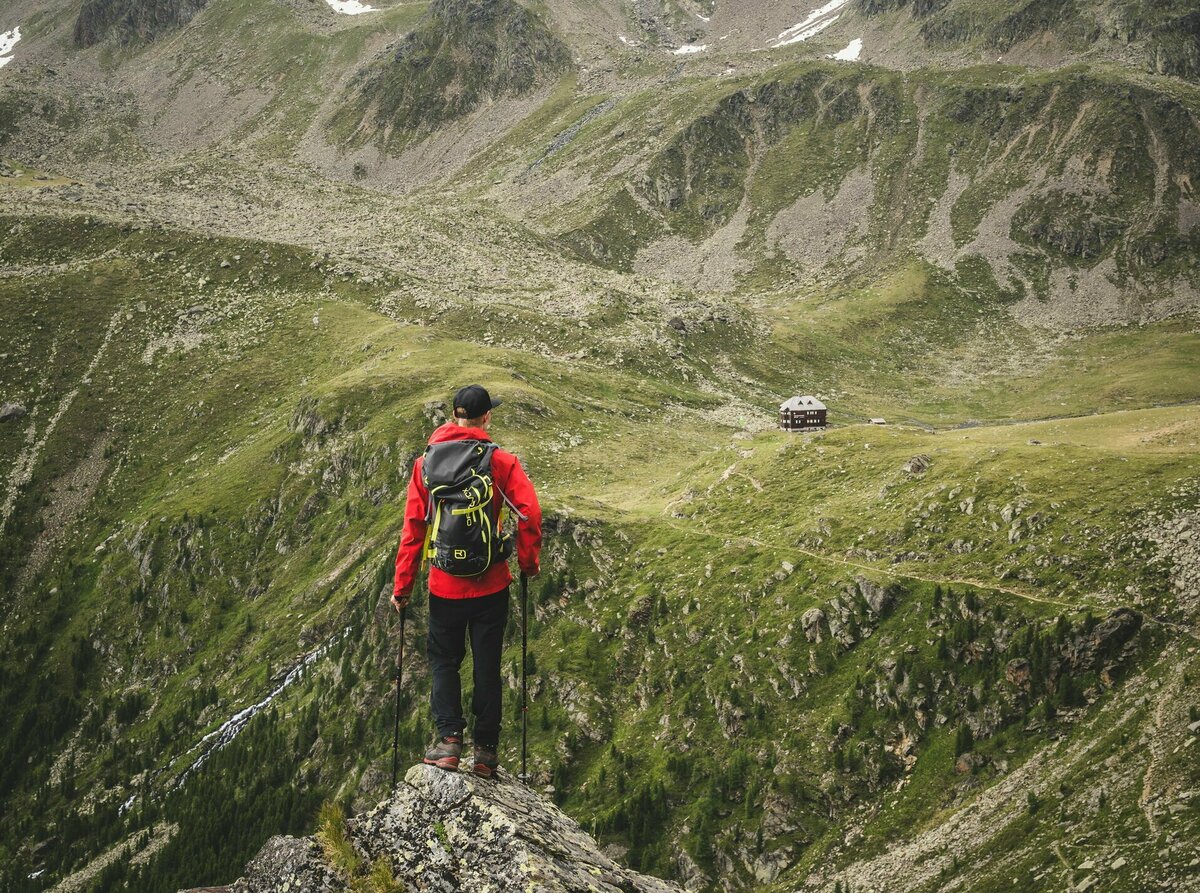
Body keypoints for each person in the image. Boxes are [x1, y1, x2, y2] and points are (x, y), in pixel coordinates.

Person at [392, 384, 541, 778]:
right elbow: (529, 515)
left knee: (444, 662)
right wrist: (528, 564)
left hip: (444, 585)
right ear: (487, 416)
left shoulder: (425, 464)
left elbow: (413, 531)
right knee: (487, 666)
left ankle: (448, 743)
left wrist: (402, 587)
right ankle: (486, 754)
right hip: (491, 583)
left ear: (453, 415)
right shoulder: (500, 461)